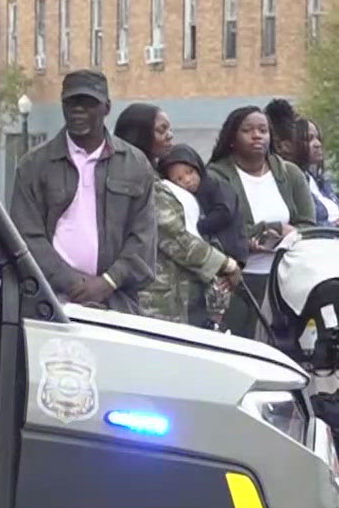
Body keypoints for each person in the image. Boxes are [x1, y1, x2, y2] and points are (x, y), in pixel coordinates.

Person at [7, 71, 156, 313]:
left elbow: (143, 238)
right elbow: (26, 236)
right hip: (51, 300)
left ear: (107, 108)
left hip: (117, 303)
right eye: (71, 103)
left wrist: (107, 283)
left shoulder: (135, 165)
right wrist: (73, 283)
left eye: (88, 103)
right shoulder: (34, 165)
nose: (78, 110)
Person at [114, 105, 237, 326]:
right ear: (140, 134)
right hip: (154, 303)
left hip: (174, 295)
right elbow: (176, 238)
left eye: (169, 129)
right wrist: (226, 264)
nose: (170, 135)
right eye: (161, 130)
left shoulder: (151, 176)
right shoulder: (140, 182)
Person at [209, 105, 319, 336]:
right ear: (232, 138)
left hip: (285, 280)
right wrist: (276, 229)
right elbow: (219, 232)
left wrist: (290, 234)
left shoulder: (290, 174)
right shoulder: (215, 177)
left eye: (263, 130)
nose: (257, 135)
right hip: (239, 282)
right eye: (247, 130)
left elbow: (308, 227)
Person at [159, 145, 239, 326]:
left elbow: (225, 214)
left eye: (190, 172)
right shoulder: (175, 198)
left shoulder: (215, 186)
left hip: (225, 258)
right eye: (179, 178)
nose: (187, 180)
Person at [278, 104, 339, 226]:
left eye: (318, 138)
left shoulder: (318, 180)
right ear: (288, 145)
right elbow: (306, 225)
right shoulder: (290, 182)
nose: (317, 144)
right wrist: (332, 226)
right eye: (309, 139)